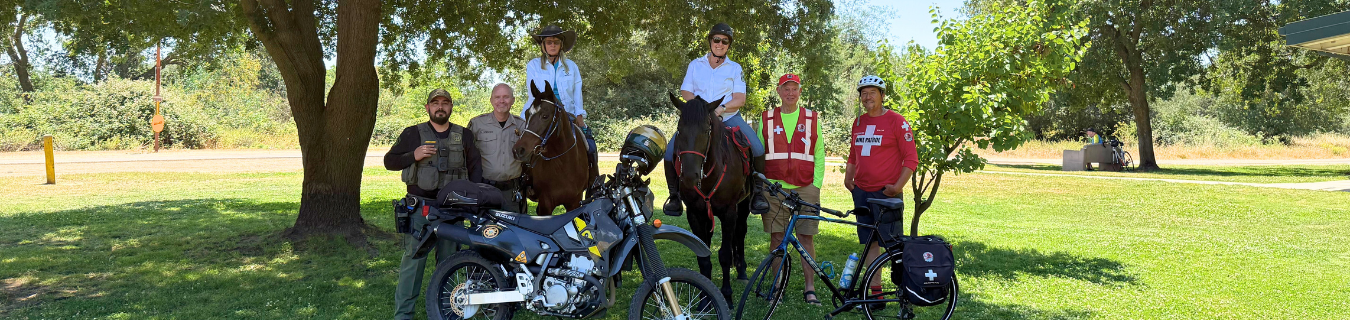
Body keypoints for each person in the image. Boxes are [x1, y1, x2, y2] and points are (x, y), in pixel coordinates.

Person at [383, 88, 483, 320]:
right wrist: (413, 155)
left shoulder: (464, 135)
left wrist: (473, 200)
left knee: (449, 264)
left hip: (453, 211)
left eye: (445, 103)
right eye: (435, 103)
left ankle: (446, 312)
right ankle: (403, 315)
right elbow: (390, 161)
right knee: (413, 263)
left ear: (450, 107)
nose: (440, 107)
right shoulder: (412, 134)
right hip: (420, 209)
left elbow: (476, 168)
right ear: (427, 107)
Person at [663, 22, 770, 216]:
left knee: (757, 148)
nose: (720, 44)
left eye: (725, 41)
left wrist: (719, 110)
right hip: (699, 120)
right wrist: (700, 109)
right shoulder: (695, 65)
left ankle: (758, 194)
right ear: (710, 41)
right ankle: (675, 196)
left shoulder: (735, 69)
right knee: (670, 151)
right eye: (716, 40)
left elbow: (740, 98)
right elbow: (685, 90)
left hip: (728, 117)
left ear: (729, 45)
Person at [843, 75, 917, 305]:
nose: (867, 97)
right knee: (869, 244)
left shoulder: (897, 121)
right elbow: (854, 154)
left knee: (893, 246)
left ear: (882, 96)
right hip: (862, 193)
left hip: (886, 195)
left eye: (872, 92)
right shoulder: (858, 123)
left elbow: (911, 159)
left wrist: (897, 187)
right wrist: (848, 177)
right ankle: (875, 293)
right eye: (863, 93)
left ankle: (904, 290)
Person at [757, 73, 826, 305]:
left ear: (799, 91)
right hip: (775, 189)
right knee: (777, 239)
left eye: (794, 88)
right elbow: (759, 154)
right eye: (785, 89)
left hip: (806, 187)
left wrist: (815, 185)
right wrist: (764, 184)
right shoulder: (765, 118)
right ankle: (777, 286)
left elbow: (819, 153)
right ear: (778, 91)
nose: (790, 93)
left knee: (806, 238)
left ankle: (810, 288)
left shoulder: (812, 118)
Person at [523, 24, 597, 178]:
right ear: (543, 45)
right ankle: (525, 182)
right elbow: (533, 94)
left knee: (589, 145)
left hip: (567, 114)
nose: (552, 45)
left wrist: (580, 117)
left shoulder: (571, 66)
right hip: (540, 114)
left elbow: (577, 93)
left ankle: (592, 182)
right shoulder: (533, 66)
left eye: (556, 42)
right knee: (523, 146)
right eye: (549, 42)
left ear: (561, 45)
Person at [469, 83, 527, 212]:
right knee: (483, 229)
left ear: (513, 100)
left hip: (512, 192)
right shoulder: (477, 124)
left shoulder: (522, 126)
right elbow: (467, 156)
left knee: (513, 230)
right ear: (491, 100)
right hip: (484, 190)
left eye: (506, 97)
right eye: (497, 97)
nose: (501, 101)